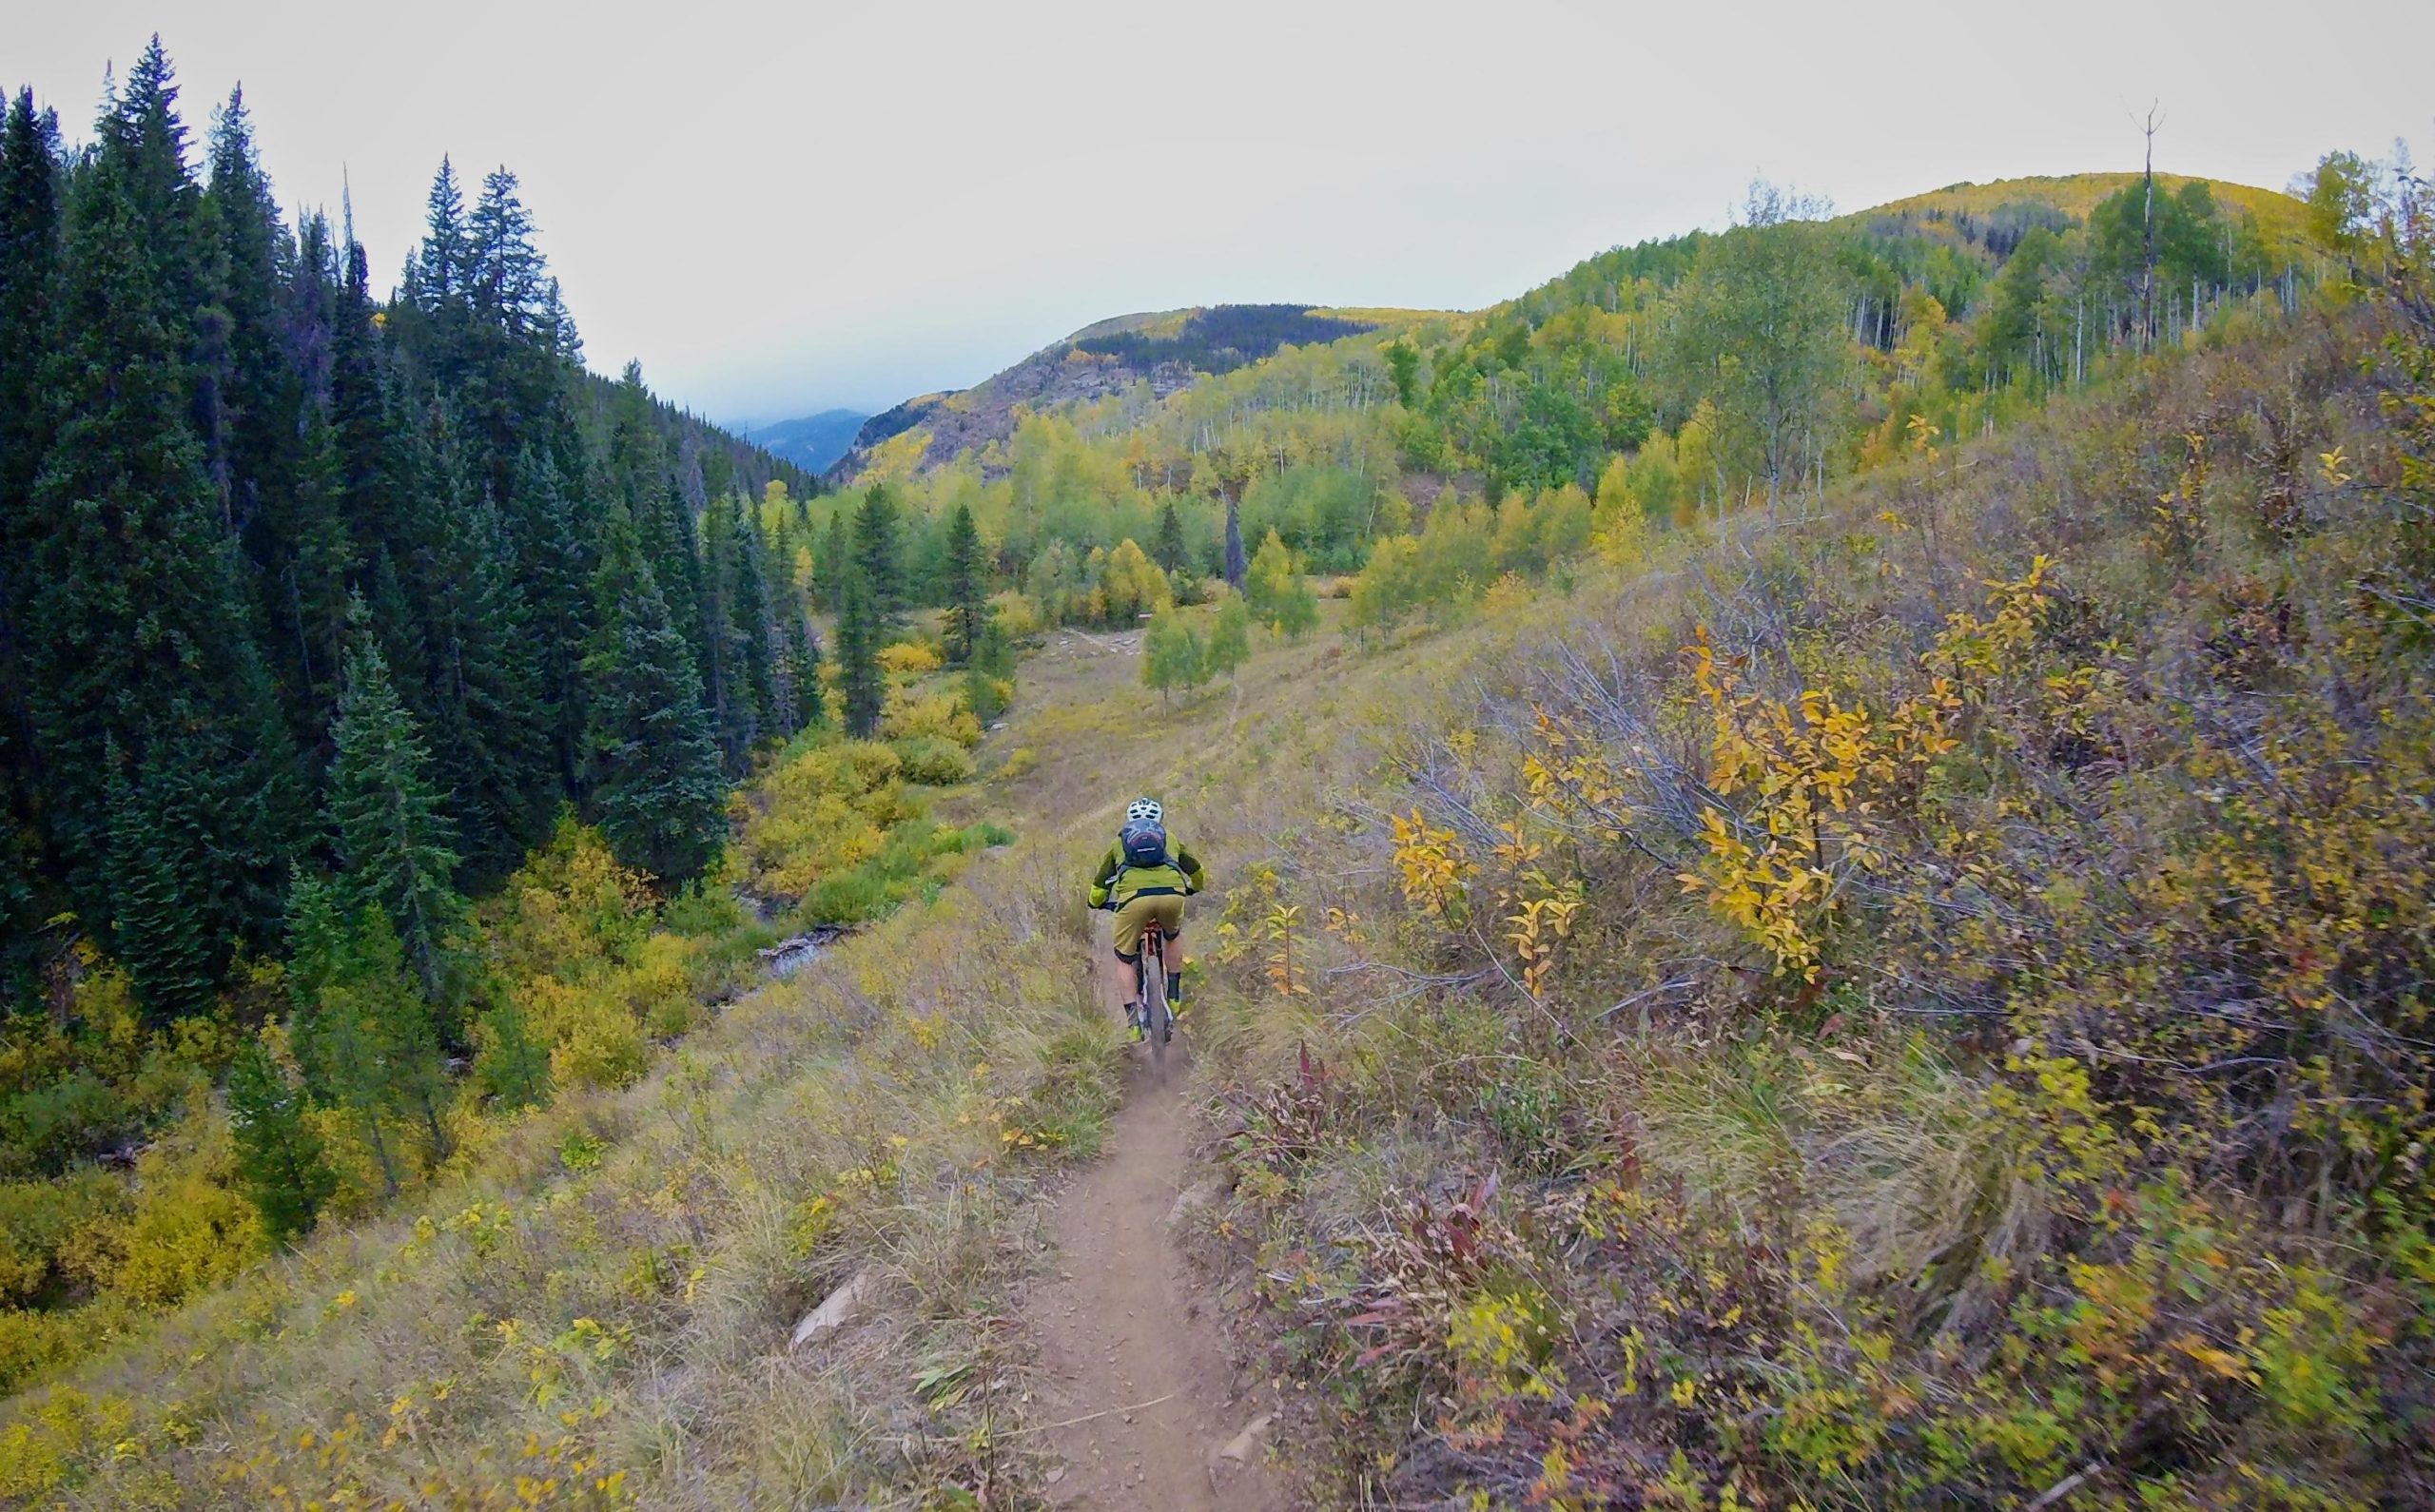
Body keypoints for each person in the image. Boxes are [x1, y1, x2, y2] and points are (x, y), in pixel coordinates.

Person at [1088, 798, 1206, 1038]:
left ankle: (1133, 1024)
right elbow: (1196, 870)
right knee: (1172, 935)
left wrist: (1096, 902)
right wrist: (1193, 887)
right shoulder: (1170, 838)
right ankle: (1173, 995)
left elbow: (1100, 884)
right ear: (1159, 821)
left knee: (1124, 957)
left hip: (1133, 901)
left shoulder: (1119, 842)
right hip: (1171, 895)